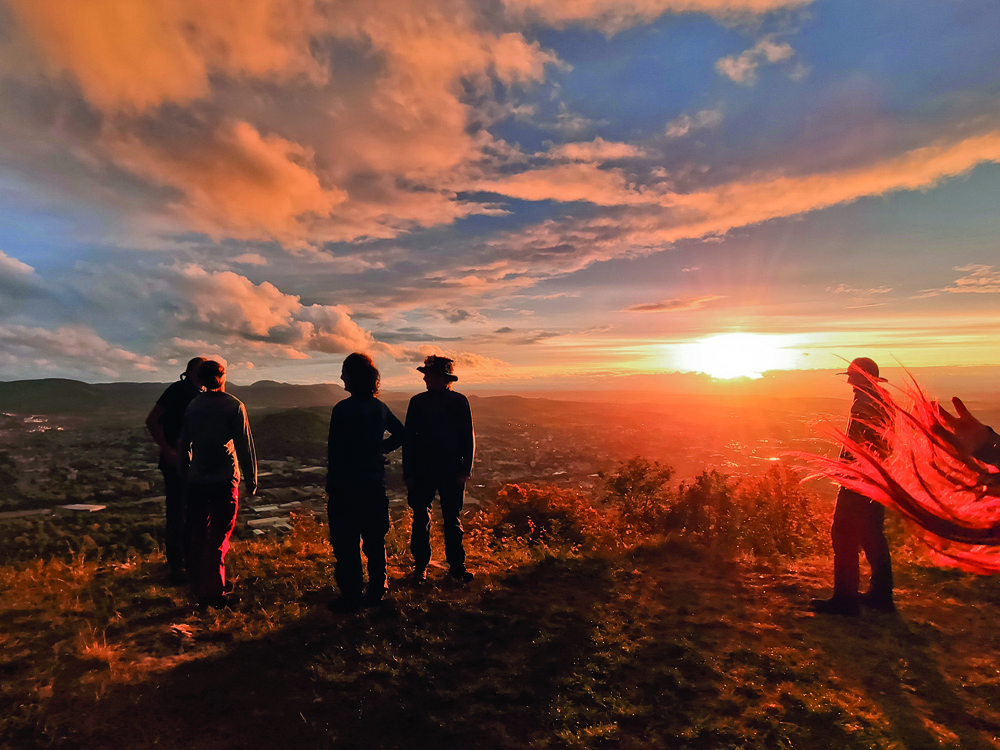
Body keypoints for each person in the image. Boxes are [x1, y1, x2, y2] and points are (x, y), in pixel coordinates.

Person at [812, 357, 895, 616]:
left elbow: (861, 443)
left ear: (863, 378)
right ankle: (881, 595)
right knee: (872, 535)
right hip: (878, 478)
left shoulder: (866, 402)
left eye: (853, 377)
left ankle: (845, 599)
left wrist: (849, 471)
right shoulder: (883, 400)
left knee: (844, 534)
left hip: (859, 478)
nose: (849, 382)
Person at [326, 353, 404, 612]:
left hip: (345, 486)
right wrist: (380, 449)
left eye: (344, 372)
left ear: (353, 376)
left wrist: (332, 484)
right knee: (374, 538)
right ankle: (378, 587)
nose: (341, 377)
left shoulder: (343, 409)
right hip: (372, 484)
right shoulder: (379, 408)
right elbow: (401, 433)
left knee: (346, 542)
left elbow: (335, 452)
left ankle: (351, 593)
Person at [178, 359, 257, 610]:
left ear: (200, 380)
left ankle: (199, 587)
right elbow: (244, 445)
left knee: (199, 534)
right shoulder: (233, 406)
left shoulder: (192, 406)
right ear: (223, 377)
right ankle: (214, 592)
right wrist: (251, 479)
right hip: (224, 479)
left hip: (196, 480)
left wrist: (185, 473)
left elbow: (183, 446)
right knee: (219, 537)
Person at [404, 355, 476, 583]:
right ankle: (436, 567)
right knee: (434, 519)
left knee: (445, 519)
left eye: (429, 374)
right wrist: (409, 472)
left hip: (441, 470)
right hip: (438, 470)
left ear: (442, 378)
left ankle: (449, 567)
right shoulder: (452, 401)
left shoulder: (426, 402)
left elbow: (467, 436)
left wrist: (465, 469)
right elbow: (409, 440)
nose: (426, 378)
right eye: (426, 375)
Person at [145, 357, 206, 584]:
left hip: (194, 462)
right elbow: (152, 420)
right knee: (178, 511)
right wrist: (167, 449)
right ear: (191, 372)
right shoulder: (178, 390)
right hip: (176, 461)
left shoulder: (200, 394)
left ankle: (189, 560)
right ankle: (176, 565)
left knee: (192, 511)